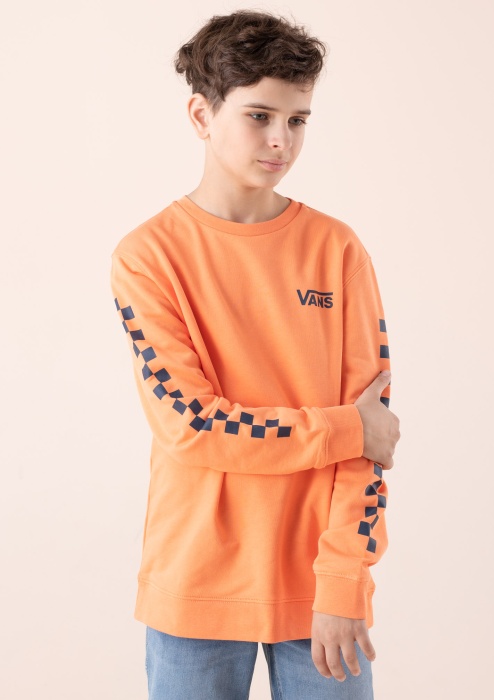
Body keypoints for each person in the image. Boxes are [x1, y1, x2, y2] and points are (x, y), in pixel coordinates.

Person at [110, 8, 400, 699]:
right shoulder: (148, 256)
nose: (281, 140)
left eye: (298, 120)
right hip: (195, 584)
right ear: (202, 115)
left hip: (322, 589)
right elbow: (193, 424)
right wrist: (343, 427)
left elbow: (372, 441)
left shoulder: (337, 250)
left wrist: (343, 580)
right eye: (260, 116)